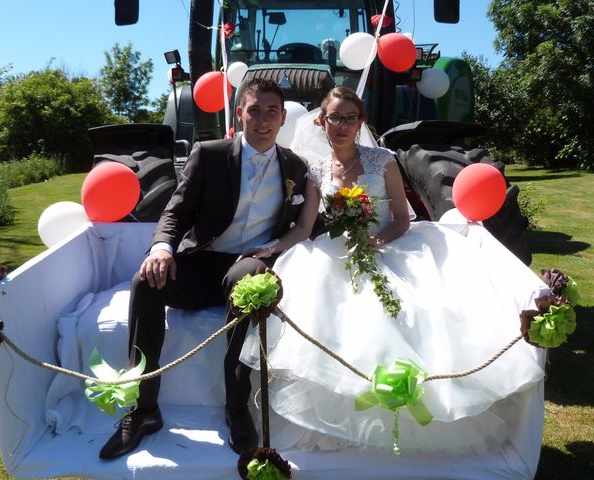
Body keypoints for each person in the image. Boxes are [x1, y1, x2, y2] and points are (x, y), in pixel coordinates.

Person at [240, 86, 550, 454]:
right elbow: (305, 228)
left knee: (408, 310)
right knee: (323, 306)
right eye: (335, 118)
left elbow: (403, 219)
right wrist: (273, 248)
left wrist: (378, 240)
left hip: (387, 245)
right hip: (336, 253)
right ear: (321, 122)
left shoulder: (382, 160)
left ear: (361, 123)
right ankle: (339, 423)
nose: (341, 125)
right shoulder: (316, 170)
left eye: (350, 118)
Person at [99, 78, 320, 460]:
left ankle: (237, 409)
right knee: (144, 282)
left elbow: (305, 223)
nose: (263, 120)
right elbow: (176, 210)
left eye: (272, 112)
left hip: (250, 261)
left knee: (246, 282)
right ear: (239, 114)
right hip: (202, 260)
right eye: (254, 110)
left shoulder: (296, 167)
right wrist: (162, 248)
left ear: (283, 118)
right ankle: (144, 408)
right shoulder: (210, 153)